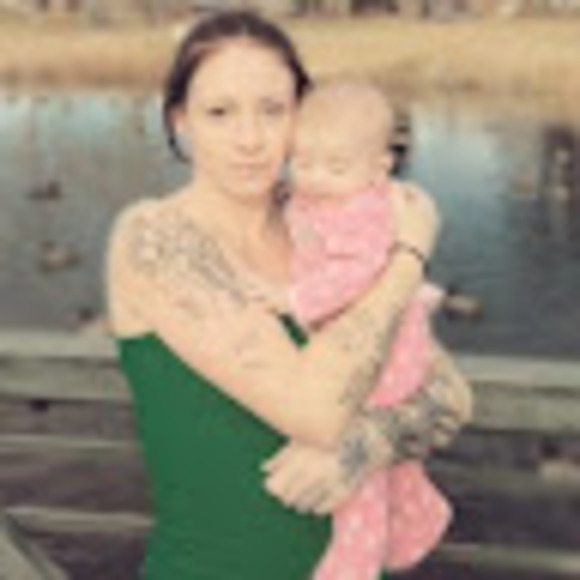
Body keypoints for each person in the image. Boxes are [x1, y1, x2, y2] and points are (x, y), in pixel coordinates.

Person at [106, 10, 472, 580]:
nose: (250, 140)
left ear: (302, 114)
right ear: (181, 121)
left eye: (272, 110)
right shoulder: (155, 239)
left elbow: (450, 394)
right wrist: (407, 261)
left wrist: (367, 443)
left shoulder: (323, 223)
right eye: (220, 112)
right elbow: (317, 416)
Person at [275, 77, 450, 580]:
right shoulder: (318, 197)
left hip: (384, 357)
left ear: (379, 167)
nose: (315, 177)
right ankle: (418, 517)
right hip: (370, 342)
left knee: (356, 471)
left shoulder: (367, 209)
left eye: (335, 167)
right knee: (394, 466)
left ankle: (354, 565)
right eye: (302, 161)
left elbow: (360, 269)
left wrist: (295, 301)